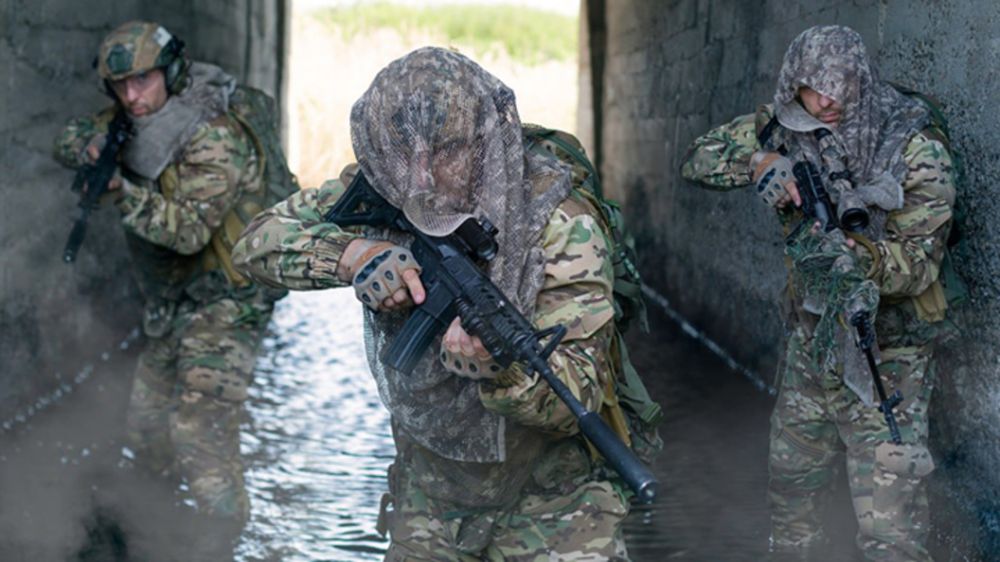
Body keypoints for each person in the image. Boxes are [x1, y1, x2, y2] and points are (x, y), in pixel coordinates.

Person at [233, 46, 657, 560]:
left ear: (484, 140)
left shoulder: (561, 223)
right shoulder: (384, 184)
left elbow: (576, 398)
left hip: (555, 501)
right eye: (403, 151)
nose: (421, 177)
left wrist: (500, 369)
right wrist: (352, 255)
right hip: (431, 496)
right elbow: (254, 242)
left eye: (446, 150)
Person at [681, 26, 956, 561]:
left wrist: (859, 260)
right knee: (792, 495)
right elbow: (697, 158)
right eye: (814, 87)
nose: (826, 101)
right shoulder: (785, 126)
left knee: (891, 528)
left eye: (840, 88)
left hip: (887, 356)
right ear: (794, 83)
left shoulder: (913, 145)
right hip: (813, 345)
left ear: (861, 82)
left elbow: (921, 263)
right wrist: (758, 163)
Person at [53, 20, 289, 555]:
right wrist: (94, 148)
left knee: (200, 435)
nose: (132, 96)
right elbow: (63, 139)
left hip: (230, 301)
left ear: (171, 71)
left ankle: (221, 545)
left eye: (142, 80)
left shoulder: (213, 133)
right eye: (120, 86)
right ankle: (148, 538)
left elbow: (186, 233)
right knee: (146, 432)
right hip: (174, 302)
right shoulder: (134, 120)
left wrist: (122, 190)